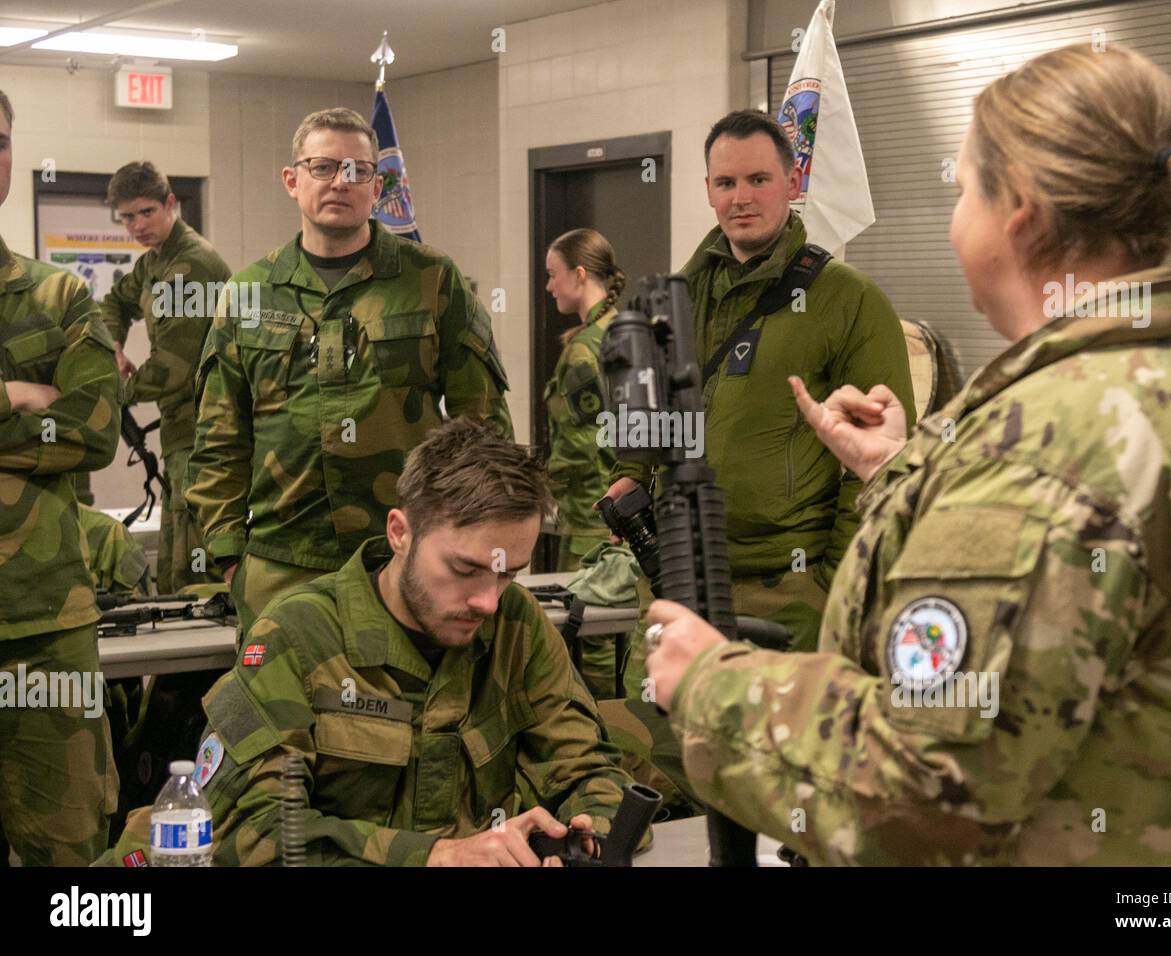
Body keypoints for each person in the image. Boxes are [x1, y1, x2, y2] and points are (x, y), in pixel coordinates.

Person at [642, 43, 1171, 865]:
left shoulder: (1050, 444)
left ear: (1017, 212)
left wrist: (713, 684)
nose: (955, 219)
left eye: (961, 190)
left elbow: (923, 792)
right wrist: (899, 472)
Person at [104, 419, 633, 866]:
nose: (488, 602)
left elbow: (588, 768)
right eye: (465, 569)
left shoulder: (516, 627)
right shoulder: (298, 635)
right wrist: (435, 855)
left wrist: (589, 828)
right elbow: (250, 834)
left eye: (507, 574)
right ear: (400, 533)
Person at [187, 108, 514, 634]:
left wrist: (473, 541)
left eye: (358, 170)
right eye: (323, 167)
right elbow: (220, 437)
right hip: (282, 558)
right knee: (281, 709)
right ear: (293, 181)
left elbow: (483, 427)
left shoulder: (432, 280)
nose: (341, 181)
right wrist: (229, 554)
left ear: (377, 184)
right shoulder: (248, 293)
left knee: (406, 706)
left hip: (405, 552)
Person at [605, 108, 915, 656]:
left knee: (775, 740)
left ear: (792, 183)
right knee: (655, 740)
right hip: (676, 576)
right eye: (726, 182)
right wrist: (631, 474)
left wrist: (834, 578)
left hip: (789, 589)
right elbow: (651, 409)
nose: (740, 197)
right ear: (707, 190)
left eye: (758, 179)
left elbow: (878, 460)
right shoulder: (675, 298)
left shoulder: (849, 299)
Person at [0, 88, 122, 865]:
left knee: (69, 855)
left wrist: (59, 407)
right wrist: (14, 396)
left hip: (46, 627)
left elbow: (94, 429)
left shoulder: (59, 295)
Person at [99, 161, 230, 592]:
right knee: (176, 567)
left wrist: (111, 392)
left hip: (209, 437)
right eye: (127, 217)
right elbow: (114, 304)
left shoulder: (190, 266)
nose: (137, 226)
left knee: (200, 573)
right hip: (182, 434)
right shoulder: (156, 262)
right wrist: (114, 347)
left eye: (146, 212)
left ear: (171, 204)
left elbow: (173, 369)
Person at [543, 228, 625, 698]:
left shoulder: (584, 347)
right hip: (616, 507)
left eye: (554, 275)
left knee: (585, 630)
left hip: (589, 515)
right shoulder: (621, 331)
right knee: (613, 630)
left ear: (579, 274)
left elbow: (582, 444)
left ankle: (600, 730)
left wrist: (540, 492)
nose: (549, 286)